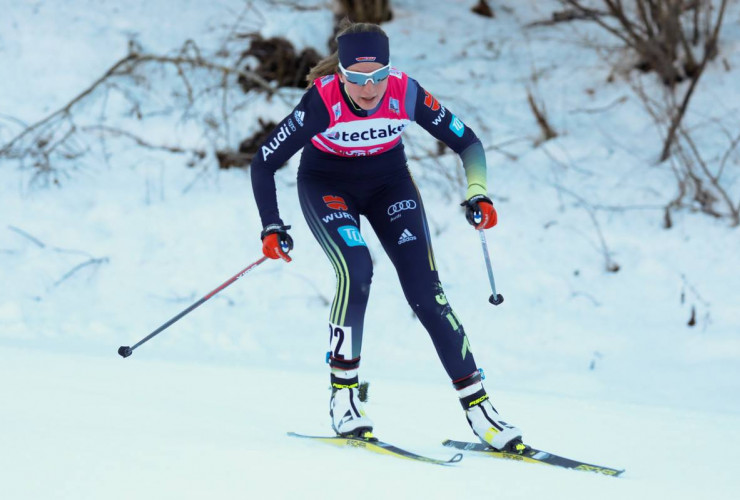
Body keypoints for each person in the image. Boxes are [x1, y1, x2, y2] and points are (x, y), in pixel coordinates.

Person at [250, 21, 523, 451]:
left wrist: (478, 193)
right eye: (357, 79)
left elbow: (468, 144)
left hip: (389, 186)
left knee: (426, 291)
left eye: (378, 75)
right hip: (327, 187)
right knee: (357, 270)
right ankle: (343, 398)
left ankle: (480, 410)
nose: (369, 87)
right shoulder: (321, 103)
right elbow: (264, 162)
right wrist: (271, 224)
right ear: (341, 74)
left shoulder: (406, 92)